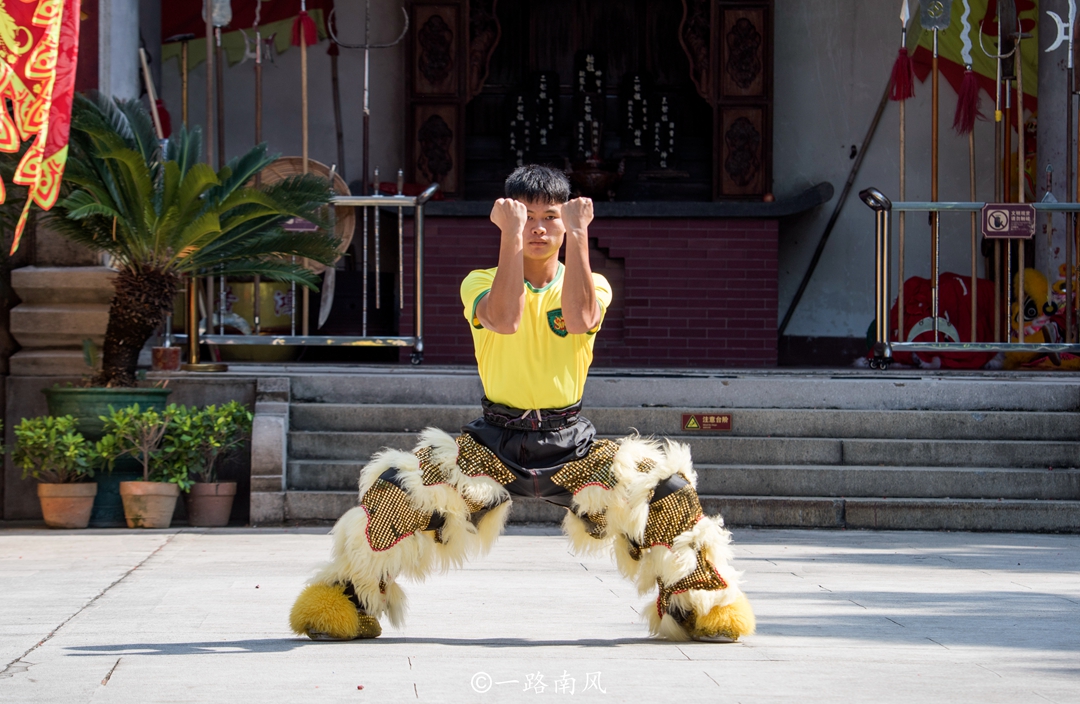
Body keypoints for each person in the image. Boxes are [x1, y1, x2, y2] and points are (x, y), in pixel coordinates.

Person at [289, 165, 755, 642]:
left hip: (570, 443)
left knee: (669, 487)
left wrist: (579, 234)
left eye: (550, 217)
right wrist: (508, 238)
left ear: (567, 221)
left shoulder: (592, 282)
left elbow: (579, 319)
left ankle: (697, 608)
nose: (537, 227)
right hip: (493, 442)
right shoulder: (479, 282)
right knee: (395, 485)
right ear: (505, 218)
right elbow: (506, 319)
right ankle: (344, 601)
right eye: (524, 216)